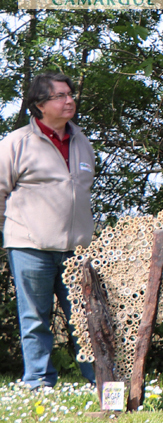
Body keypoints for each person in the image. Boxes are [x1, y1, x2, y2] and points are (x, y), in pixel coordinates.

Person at [0, 72, 96, 389]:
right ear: (39, 105)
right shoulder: (16, 143)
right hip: (30, 245)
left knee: (86, 319)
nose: (70, 101)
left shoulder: (82, 141)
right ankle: (39, 380)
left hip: (77, 250)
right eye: (60, 96)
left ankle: (101, 380)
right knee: (34, 319)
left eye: (70, 94)